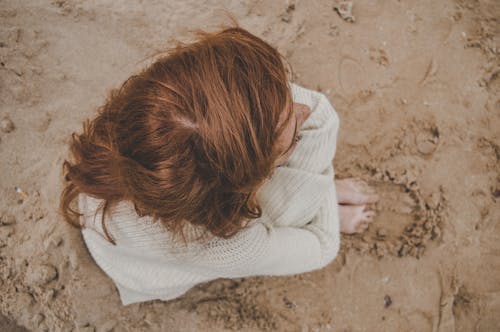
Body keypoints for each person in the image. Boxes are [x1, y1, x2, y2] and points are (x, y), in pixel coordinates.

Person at [60, 24, 378, 305]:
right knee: (313, 160)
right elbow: (322, 247)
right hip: (149, 271)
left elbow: (213, 116)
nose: (304, 110)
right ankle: (315, 192)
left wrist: (262, 106)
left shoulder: (137, 123)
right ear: (240, 189)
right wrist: (321, 185)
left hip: (123, 236)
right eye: (291, 138)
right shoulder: (228, 246)